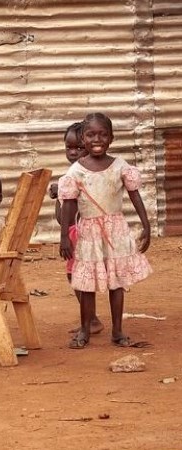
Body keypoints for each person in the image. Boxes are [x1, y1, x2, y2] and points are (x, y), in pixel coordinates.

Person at [59, 112, 153, 349]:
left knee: (117, 282)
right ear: (82, 138)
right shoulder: (75, 172)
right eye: (91, 134)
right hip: (88, 233)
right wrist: (64, 238)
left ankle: (118, 331)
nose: (97, 139)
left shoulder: (120, 166)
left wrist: (146, 224)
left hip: (116, 232)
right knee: (86, 284)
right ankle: (85, 329)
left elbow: (134, 195)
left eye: (103, 134)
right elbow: (68, 204)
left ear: (111, 138)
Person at [49, 122, 104, 336]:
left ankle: (92, 320)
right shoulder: (74, 170)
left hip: (81, 232)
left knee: (77, 276)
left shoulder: (87, 171)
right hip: (73, 232)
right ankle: (91, 318)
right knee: (75, 276)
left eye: (78, 148)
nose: (72, 152)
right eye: (68, 148)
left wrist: (61, 189)